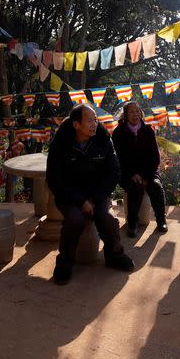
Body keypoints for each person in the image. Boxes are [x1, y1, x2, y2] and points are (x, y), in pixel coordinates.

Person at [46, 104, 134, 284]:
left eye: (95, 120)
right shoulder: (61, 142)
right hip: (69, 196)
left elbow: (114, 172)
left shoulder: (103, 139)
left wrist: (94, 199)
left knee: (106, 219)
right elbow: (54, 179)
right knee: (74, 220)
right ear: (76, 124)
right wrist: (80, 201)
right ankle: (65, 263)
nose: (94, 124)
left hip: (97, 195)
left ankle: (114, 255)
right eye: (89, 121)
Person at [112, 101, 168, 237]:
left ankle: (161, 220)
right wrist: (133, 174)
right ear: (125, 115)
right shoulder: (119, 132)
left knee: (156, 185)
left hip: (149, 172)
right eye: (132, 112)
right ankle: (132, 224)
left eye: (137, 111)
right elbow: (119, 158)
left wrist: (144, 175)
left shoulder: (148, 131)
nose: (135, 114)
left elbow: (155, 158)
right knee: (134, 187)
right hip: (127, 174)